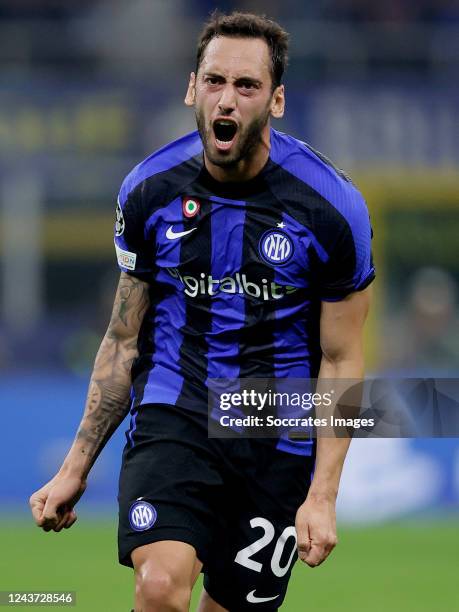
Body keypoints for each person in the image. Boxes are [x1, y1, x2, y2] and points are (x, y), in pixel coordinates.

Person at [30, 11, 375, 612]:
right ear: (193, 88)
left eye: (247, 86)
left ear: (277, 99)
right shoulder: (149, 191)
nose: (228, 98)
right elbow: (121, 339)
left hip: (277, 433)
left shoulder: (332, 209)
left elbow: (342, 358)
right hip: (177, 408)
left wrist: (323, 494)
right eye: (215, 81)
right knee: (159, 588)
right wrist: (75, 467)